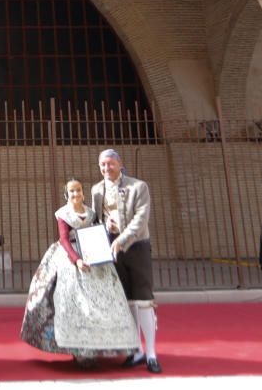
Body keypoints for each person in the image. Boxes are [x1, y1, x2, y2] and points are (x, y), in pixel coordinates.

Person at [20, 178, 140, 366]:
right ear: (67, 195)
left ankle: (100, 346)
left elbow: (97, 234)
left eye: (78, 191)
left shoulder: (91, 214)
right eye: (72, 191)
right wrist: (76, 260)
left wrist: (108, 235)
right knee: (72, 302)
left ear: (83, 193)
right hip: (71, 257)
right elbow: (64, 240)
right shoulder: (63, 214)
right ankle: (80, 352)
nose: (76, 194)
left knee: (102, 303)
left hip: (93, 256)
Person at [91, 148, 162, 373]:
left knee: (143, 299)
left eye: (110, 164)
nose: (106, 168)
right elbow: (96, 219)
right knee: (127, 300)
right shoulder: (96, 190)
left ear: (120, 164)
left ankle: (151, 353)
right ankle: (136, 349)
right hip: (112, 250)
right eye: (102, 165)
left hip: (136, 247)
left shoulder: (138, 187)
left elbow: (140, 219)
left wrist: (121, 239)